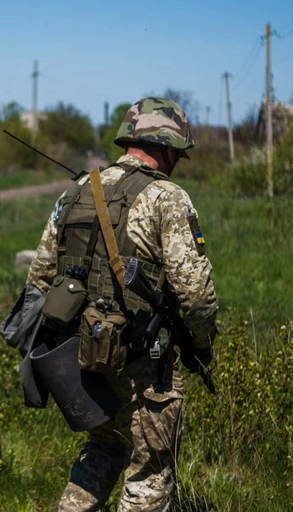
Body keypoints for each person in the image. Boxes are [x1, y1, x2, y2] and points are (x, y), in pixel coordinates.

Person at [25, 97, 218, 512]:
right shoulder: (167, 197)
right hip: (144, 365)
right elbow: (197, 297)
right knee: (149, 473)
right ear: (167, 147)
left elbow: (39, 278)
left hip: (84, 358)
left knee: (103, 449)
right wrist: (201, 346)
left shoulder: (75, 191)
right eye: (177, 156)